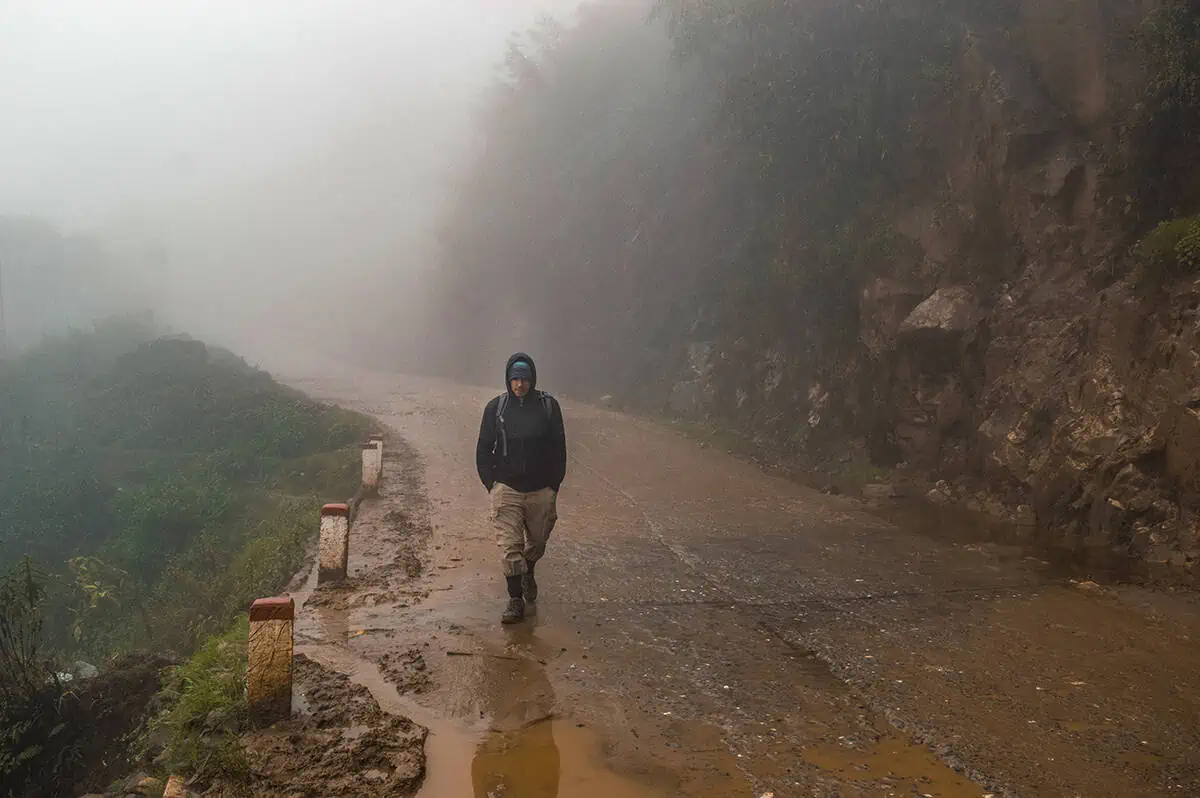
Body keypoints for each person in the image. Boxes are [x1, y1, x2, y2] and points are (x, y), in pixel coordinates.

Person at [476, 353, 567, 624]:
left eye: (524, 379)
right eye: (515, 378)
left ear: (532, 379)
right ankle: (515, 599)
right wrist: (491, 484)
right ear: (508, 379)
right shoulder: (496, 408)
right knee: (509, 545)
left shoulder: (548, 407)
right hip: (507, 487)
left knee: (537, 541)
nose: (519, 384)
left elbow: (559, 449)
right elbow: (483, 448)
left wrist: (553, 486)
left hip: (541, 489)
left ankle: (529, 571)